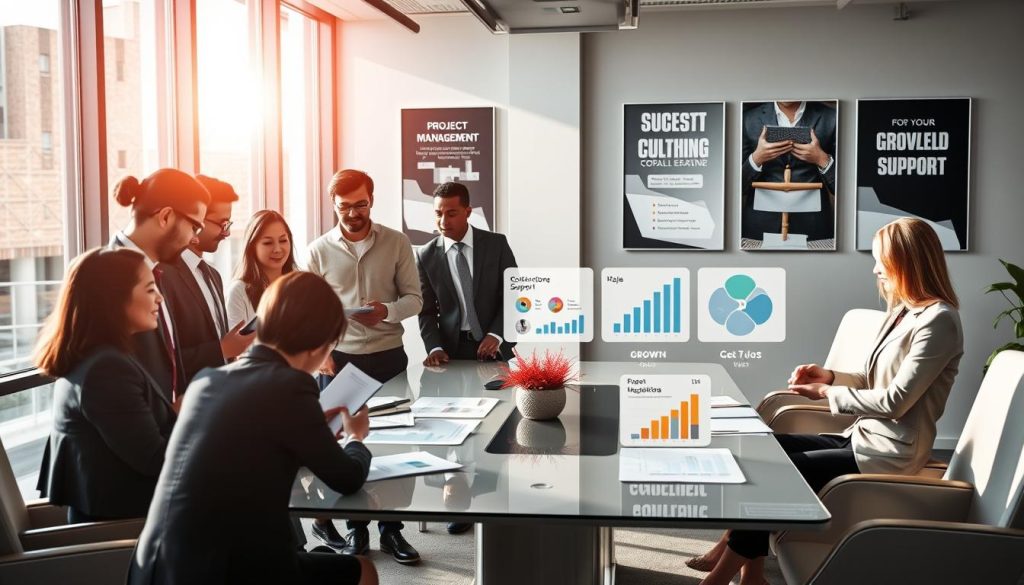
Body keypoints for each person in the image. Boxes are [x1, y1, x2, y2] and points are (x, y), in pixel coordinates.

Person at [692, 217, 963, 585]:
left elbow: (896, 401)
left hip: (887, 454)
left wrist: (826, 394)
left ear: (906, 262)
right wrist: (829, 377)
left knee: (773, 473)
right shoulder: (901, 313)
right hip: (858, 437)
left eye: (881, 260)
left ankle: (722, 578)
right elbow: (873, 380)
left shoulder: (939, 321)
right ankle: (751, 573)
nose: (874, 268)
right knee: (759, 451)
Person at [127, 272, 378, 585]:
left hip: (155, 566)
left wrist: (314, 436)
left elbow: (249, 453)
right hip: (228, 570)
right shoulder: (292, 385)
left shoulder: (207, 379)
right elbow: (347, 478)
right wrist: (356, 436)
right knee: (363, 571)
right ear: (320, 345)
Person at [306, 169, 423, 563]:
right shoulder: (317, 251)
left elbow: (415, 299)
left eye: (361, 204)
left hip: (388, 356)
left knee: (393, 445)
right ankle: (357, 531)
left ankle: (392, 530)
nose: (353, 213)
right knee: (347, 447)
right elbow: (309, 312)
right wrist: (321, 352)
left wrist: (386, 311)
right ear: (333, 205)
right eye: (344, 206)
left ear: (371, 200)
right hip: (339, 362)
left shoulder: (397, 241)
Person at [34, 248, 177, 524]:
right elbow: (154, 460)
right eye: (149, 290)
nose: (159, 297)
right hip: (124, 531)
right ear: (115, 299)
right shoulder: (106, 369)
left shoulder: (100, 357)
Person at [109, 168, 210, 402]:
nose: (195, 239)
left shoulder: (156, 271)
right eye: (195, 227)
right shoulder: (106, 278)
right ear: (165, 216)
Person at [158, 175, 254, 383]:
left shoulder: (213, 275)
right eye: (221, 223)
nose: (226, 233)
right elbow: (162, 359)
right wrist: (221, 349)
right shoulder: (162, 275)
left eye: (228, 224)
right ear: (196, 218)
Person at [417, 181, 518, 367]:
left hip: (496, 346)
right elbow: (426, 311)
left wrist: (497, 334)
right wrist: (434, 348)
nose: (443, 222)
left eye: (451, 214)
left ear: (468, 212)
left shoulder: (496, 245)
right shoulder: (425, 255)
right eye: (438, 214)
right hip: (450, 352)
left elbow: (514, 295)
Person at [740, 100, 837, 247]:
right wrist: (756, 158)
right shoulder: (747, 119)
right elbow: (735, 188)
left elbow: (845, 191)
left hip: (813, 226)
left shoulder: (832, 117)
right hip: (759, 225)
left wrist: (822, 159)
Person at [225, 210, 298, 327]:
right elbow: (237, 343)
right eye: (268, 243)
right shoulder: (238, 291)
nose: (277, 249)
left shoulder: (299, 285)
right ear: (252, 246)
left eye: (283, 240)